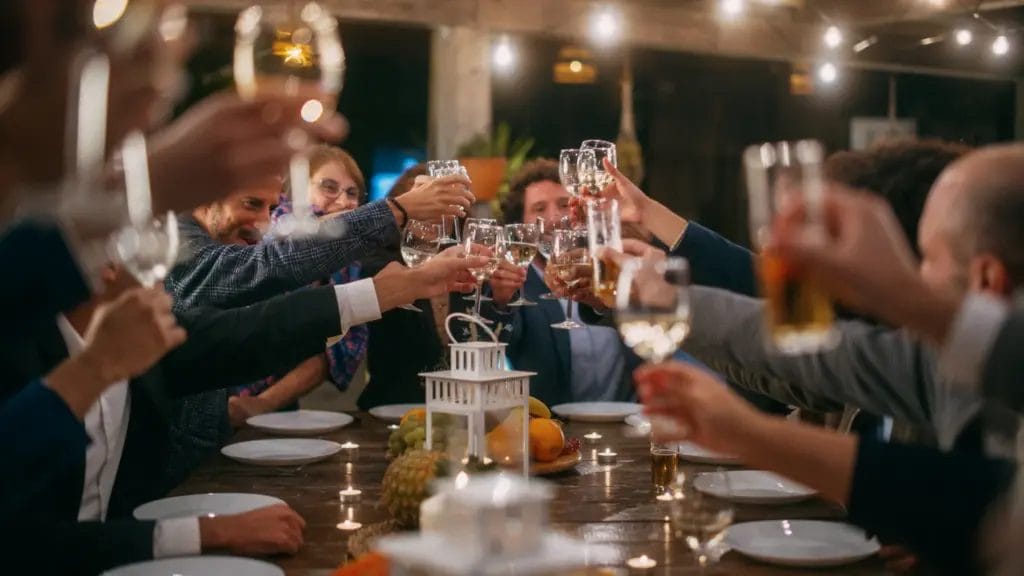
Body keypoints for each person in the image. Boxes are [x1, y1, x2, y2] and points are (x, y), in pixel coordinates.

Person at [0, 246, 481, 574]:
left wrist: (392, 289)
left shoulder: (136, 334)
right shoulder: (16, 349)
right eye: (148, 243)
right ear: (100, 262)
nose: (170, 262)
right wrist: (206, 533)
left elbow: (248, 333)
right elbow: (22, 545)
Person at [228, 146, 371, 425]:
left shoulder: (347, 259)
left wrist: (263, 403)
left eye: (352, 193)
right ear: (294, 190)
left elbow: (341, 348)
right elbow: (294, 237)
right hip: (213, 390)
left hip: (274, 403)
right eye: (329, 187)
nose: (343, 201)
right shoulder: (275, 223)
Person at [481, 159, 637, 405]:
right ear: (521, 225)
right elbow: (498, 346)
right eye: (539, 209)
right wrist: (501, 301)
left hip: (624, 421)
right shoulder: (513, 282)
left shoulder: (608, 270)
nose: (553, 218)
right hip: (554, 430)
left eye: (564, 204)